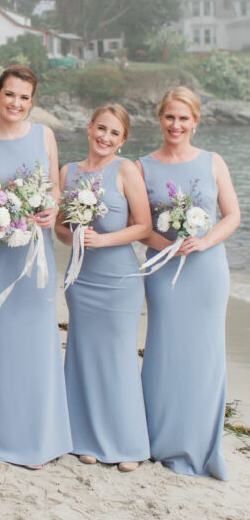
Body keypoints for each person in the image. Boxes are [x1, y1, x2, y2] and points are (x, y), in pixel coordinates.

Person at [137, 87, 240, 480]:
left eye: (184, 118)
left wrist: (203, 241)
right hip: (165, 271)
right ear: (160, 119)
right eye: (169, 117)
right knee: (165, 350)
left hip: (207, 270)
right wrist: (168, 245)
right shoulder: (143, 167)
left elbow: (232, 216)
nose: (176, 125)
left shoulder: (214, 162)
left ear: (195, 121)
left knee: (206, 356)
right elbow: (141, 228)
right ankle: (160, 440)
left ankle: (201, 444)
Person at [0, 65, 71, 468]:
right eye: (10, 94)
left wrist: (50, 210)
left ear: (32, 101)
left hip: (36, 257)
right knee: (1, 343)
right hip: (0, 257)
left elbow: (53, 188)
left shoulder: (45, 135)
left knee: (38, 341)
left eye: (24, 97)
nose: (16, 103)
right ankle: (0, 436)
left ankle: (40, 437)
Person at [56, 104, 151, 471]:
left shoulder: (126, 170)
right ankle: (87, 439)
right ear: (89, 127)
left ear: (123, 140)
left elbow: (143, 226)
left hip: (119, 279)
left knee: (119, 358)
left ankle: (127, 444)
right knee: (84, 357)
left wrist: (104, 241)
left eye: (114, 133)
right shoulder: (69, 172)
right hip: (82, 279)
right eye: (101, 128)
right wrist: (75, 236)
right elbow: (61, 229)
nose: (105, 137)